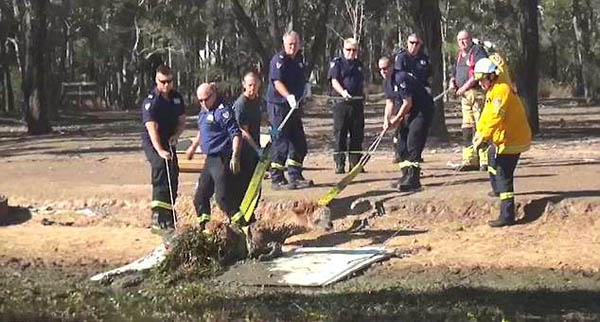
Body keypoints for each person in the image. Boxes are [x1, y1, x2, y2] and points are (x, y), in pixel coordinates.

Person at [473, 57, 531, 227]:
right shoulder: (493, 91)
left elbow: (495, 117)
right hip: (503, 139)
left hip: (513, 140)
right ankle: (497, 188)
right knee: (492, 156)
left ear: (491, 76)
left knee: (504, 174)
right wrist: (479, 134)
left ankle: (507, 215)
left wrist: (484, 136)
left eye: (482, 79)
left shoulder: (501, 91)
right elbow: (486, 116)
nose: (480, 83)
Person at [186, 83, 242, 229]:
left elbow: (236, 134)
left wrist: (235, 155)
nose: (203, 103)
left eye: (206, 99)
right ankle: (205, 228)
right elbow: (203, 131)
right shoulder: (204, 111)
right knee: (200, 197)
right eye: (200, 100)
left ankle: (242, 225)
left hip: (221, 159)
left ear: (213, 94)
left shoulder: (223, 111)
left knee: (223, 199)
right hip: (209, 160)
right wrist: (193, 147)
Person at [141, 65, 185, 238]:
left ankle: (169, 213)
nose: (166, 85)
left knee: (173, 171)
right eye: (163, 82)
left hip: (169, 138)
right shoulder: (151, 102)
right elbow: (151, 129)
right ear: (156, 81)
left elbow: (182, 121)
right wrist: (159, 150)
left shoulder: (176, 98)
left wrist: (176, 135)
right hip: (153, 141)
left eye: (169, 82)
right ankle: (158, 216)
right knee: (160, 166)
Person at [266, 30, 313, 190]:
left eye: (295, 44)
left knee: (299, 143)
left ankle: (295, 175)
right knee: (280, 143)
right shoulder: (279, 60)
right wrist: (288, 96)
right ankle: (277, 178)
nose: (292, 47)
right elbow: (277, 82)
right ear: (284, 44)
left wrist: (305, 88)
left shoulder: (299, 60)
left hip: (294, 108)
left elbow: (301, 79)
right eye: (289, 44)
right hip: (279, 106)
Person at [382, 57, 434, 192]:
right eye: (381, 69)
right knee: (401, 143)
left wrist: (397, 118)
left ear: (392, 66)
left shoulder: (401, 78)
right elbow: (390, 102)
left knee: (413, 141)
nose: (383, 71)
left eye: (386, 68)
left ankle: (414, 178)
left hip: (422, 110)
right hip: (409, 111)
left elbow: (407, 102)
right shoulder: (387, 82)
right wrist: (387, 120)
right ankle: (405, 175)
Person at [449, 30, 488, 171]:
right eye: (459, 40)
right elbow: (454, 72)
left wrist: (464, 87)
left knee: (481, 126)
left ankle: (485, 160)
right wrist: (452, 82)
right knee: (467, 127)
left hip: (476, 94)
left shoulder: (477, 51)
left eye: (464, 39)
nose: (462, 42)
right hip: (465, 97)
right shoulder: (459, 55)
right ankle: (469, 159)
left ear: (470, 39)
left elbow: (479, 73)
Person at [229, 71, 263, 226]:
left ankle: (250, 214)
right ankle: (241, 217)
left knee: (256, 185)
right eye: (249, 85)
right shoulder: (241, 104)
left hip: (254, 148)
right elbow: (243, 132)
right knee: (243, 185)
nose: (252, 88)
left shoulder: (256, 101)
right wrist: (256, 148)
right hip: (243, 150)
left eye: (255, 85)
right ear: (244, 84)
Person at [393, 33, 432, 164]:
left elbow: (429, 76)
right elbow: (399, 77)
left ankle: (415, 155)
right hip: (404, 96)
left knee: (417, 129)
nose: (414, 46)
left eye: (417, 43)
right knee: (402, 126)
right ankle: (400, 153)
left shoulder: (424, 59)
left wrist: (428, 88)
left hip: (420, 98)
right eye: (411, 42)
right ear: (407, 43)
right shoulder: (401, 57)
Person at [328, 37, 365, 174]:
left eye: (354, 50)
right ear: (343, 49)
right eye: (348, 50)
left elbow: (360, 82)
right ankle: (340, 164)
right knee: (340, 134)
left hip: (356, 104)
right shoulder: (337, 63)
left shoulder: (359, 64)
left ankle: (355, 164)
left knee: (357, 134)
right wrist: (343, 92)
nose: (351, 53)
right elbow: (334, 80)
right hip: (341, 104)